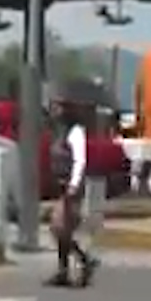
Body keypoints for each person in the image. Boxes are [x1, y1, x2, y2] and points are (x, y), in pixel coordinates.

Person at [45, 100, 101, 289]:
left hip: (71, 187)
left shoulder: (75, 132)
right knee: (63, 230)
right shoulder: (58, 131)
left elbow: (79, 160)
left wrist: (74, 185)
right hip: (61, 185)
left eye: (57, 108)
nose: (53, 111)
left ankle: (83, 261)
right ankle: (68, 269)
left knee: (58, 227)